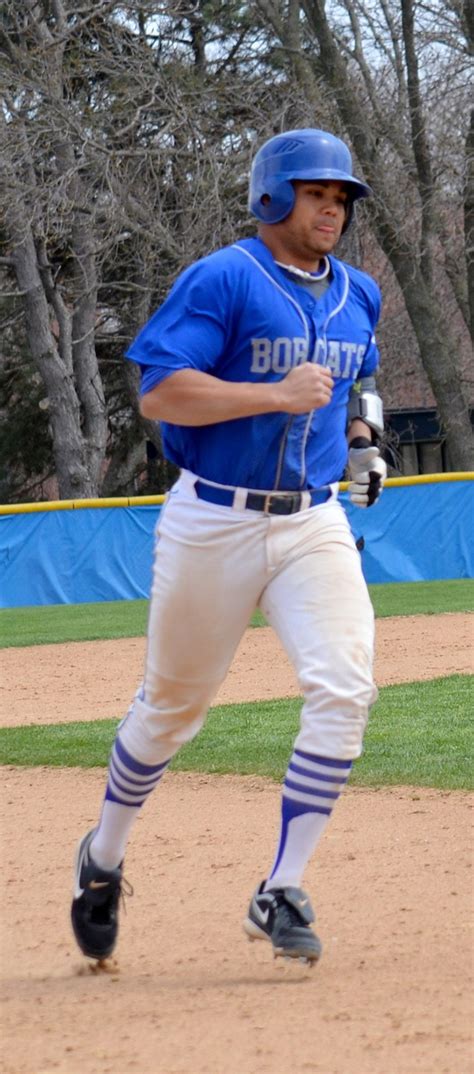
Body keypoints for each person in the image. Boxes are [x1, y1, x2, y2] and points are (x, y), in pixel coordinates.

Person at [71, 128, 387, 965]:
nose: (334, 208)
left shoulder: (359, 291)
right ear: (274, 198)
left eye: (343, 197)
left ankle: (280, 886)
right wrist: (269, 394)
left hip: (313, 521)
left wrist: (363, 438)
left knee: (345, 688)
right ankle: (102, 856)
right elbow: (161, 393)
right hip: (214, 518)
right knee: (171, 709)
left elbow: (361, 376)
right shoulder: (222, 277)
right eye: (318, 193)